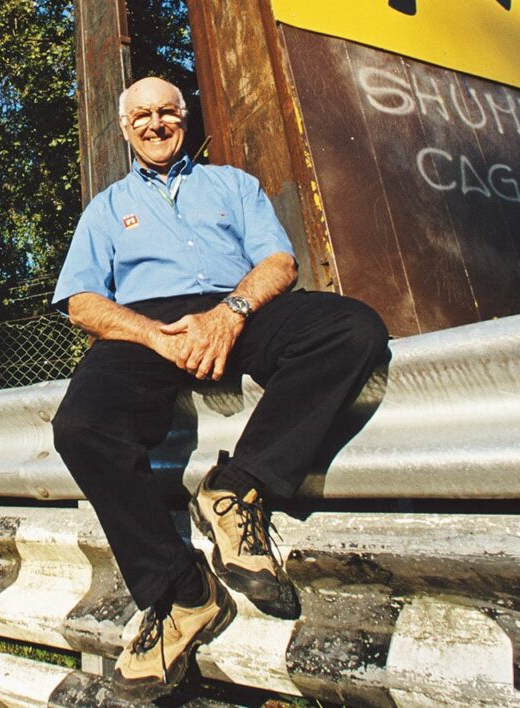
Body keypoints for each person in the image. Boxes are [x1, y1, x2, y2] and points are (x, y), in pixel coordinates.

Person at [51, 77, 390, 699]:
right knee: (80, 426)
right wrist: (156, 337)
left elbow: (279, 263)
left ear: (185, 118)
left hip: (236, 311)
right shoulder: (106, 207)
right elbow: (82, 303)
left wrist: (228, 315)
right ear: (126, 130)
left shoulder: (233, 184)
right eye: (142, 117)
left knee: (352, 328)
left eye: (167, 113)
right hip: (146, 327)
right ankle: (182, 594)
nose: (155, 124)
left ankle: (237, 486)